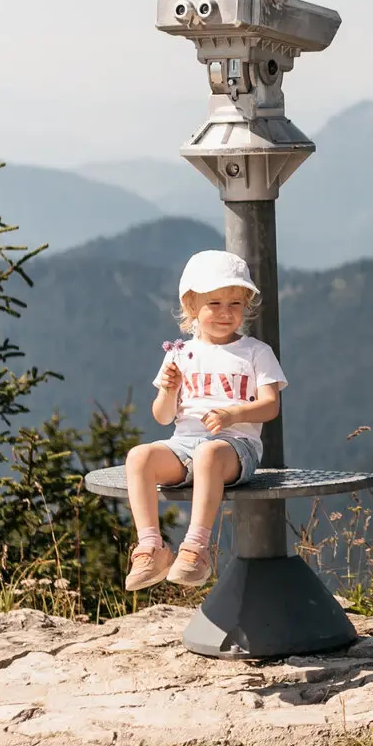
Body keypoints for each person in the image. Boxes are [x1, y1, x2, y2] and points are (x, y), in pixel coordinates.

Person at [122, 249, 288, 591]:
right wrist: (168, 391)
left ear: (246, 306)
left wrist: (234, 413)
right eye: (214, 304)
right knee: (139, 456)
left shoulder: (256, 352)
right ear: (191, 307)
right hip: (183, 444)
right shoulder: (180, 353)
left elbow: (270, 406)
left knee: (209, 454)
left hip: (235, 447)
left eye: (235, 304)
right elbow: (163, 416)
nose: (225, 313)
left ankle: (196, 548)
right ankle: (151, 546)